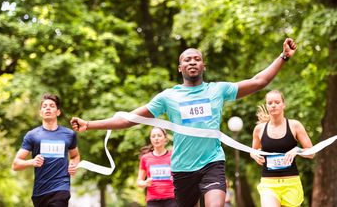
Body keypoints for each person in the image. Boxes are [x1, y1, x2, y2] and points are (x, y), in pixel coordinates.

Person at [71, 38, 297, 207]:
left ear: (203, 66)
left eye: (197, 59)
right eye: (187, 59)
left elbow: (259, 81)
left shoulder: (217, 90)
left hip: (212, 163)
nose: (192, 62)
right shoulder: (168, 97)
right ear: (180, 67)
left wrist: (283, 56)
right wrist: (90, 124)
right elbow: (129, 119)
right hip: (182, 169)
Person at [12, 93, 80, 207]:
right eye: (44, 106)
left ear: (58, 112)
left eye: (52, 106)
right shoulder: (32, 135)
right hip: (40, 192)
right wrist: (32, 162)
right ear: (40, 112)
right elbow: (15, 164)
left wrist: (73, 165)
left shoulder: (69, 134)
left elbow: (75, 156)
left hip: (61, 188)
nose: (48, 108)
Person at [250, 90, 315, 207]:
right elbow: (254, 151)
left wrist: (297, 150)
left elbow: (312, 153)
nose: (273, 105)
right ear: (266, 106)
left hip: (291, 184)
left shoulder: (295, 125)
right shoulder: (259, 129)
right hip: (269, 184)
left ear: (283, 104)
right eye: (269, 103)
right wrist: (254, 155)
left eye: (277, 102)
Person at [137, 127, 177, 207]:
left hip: (172, 199)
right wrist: (145, 183)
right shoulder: (145, 158)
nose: (156, 138)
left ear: (165, 138)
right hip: (153, 200)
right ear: (150, 139)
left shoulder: (173, 156)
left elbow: (182, 176)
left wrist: (175, 179)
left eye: (159, 135)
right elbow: (139, 182)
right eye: (153, 136)